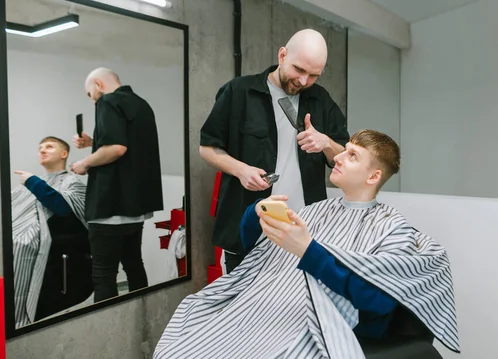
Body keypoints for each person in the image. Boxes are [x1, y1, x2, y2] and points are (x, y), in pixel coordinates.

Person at [154, 129, 460, 359]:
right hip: (267, 309)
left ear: (374, 176)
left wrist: (307, 251)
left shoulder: (391, 230)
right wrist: (255, 214)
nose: (337, 157)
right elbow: (259, 256)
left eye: (352, 155)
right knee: (190, 328)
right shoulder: (314, 211)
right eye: (345, 150)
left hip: (316, 325)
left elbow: (378, 302)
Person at [200, 28, 350, 273]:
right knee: (244, 307)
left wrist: (326, 143)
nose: (303, 81)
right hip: (247, 228)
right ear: (282, 55)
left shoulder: (321, 100)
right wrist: (240, 170)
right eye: (298, 70)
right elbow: (207, 148)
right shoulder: (238, 92)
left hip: (303, 230)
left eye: (313, 75)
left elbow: (342, 155)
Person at [71, 67, 163, 303]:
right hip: (136, 207)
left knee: (103, 275)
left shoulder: (108, 102)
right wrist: (93, 143)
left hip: (110, 206)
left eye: (90, 94)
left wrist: (85, 163)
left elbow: (116, 149)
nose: (93, 100)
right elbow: (128, 144)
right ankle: (142, 322)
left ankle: (107, 333)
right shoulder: (141, 105)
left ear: (98, 85)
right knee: (134, 266)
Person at [12, 136, 91, 327]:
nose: (42, 150)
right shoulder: (26, 186)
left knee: (20, 244)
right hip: (18, 236)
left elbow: (64, 209)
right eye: (40, 148)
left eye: (49, 146)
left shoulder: (72, 182)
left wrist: (33, 182)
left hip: (53, 248)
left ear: (64, 154)